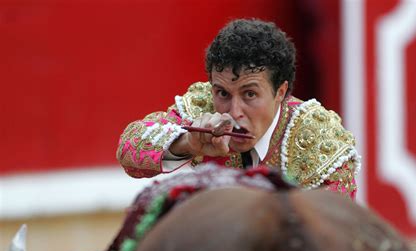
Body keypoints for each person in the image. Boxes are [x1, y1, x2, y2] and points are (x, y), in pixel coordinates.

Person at [116, 18, 360, 198]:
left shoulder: (320, 141)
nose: (233, 111)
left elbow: (329, 240)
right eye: (223, 93)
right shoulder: (204, 106)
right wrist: (188, 143)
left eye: (250, 94)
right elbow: (130, 150)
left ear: (280, 93)